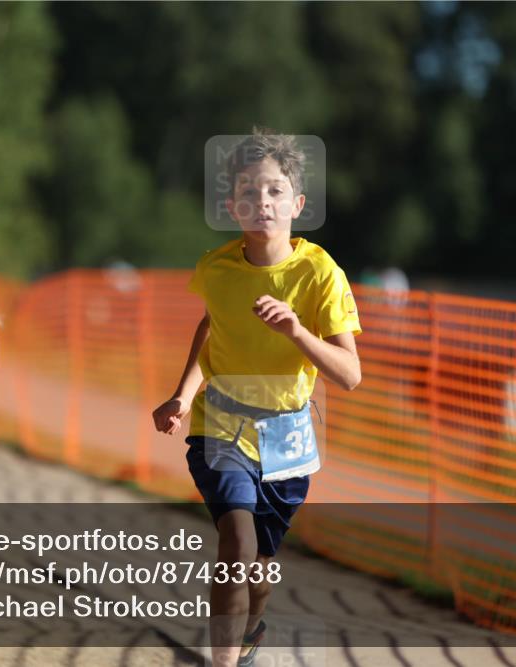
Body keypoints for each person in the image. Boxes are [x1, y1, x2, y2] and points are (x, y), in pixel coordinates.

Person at [152, 129, 362, 667]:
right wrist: (181, 394)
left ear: (298, 203)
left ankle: (248, 633)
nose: (261, 203)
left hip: (286, 439)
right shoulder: (217, 268)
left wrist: (297, 332)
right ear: (231, 205)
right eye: (247, 192)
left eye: (273, 191)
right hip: (219, 429)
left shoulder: (320, 275)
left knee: (261, 568)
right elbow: (211, 328)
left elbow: (349, 375)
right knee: (237, 548)